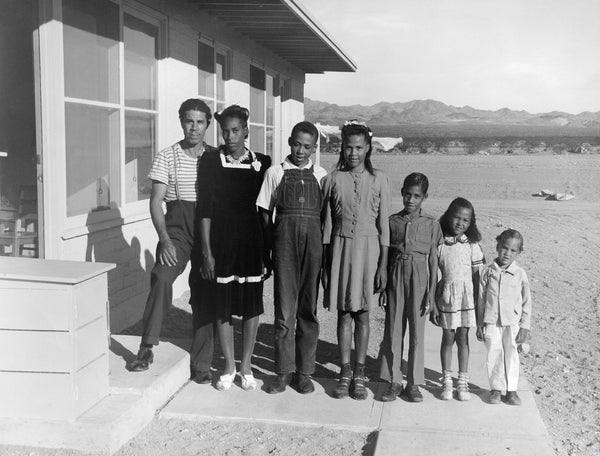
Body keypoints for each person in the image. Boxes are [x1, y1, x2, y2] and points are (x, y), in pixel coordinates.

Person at [130, 99, 217, 377]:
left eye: (200, 122)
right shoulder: (167, 156)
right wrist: (164, 240)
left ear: (207, 125)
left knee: (206, 291)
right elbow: (156, 202)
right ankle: (147, 346)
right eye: (189, 121)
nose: (194, 127)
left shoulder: (215, 157)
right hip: (177, 230)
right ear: (181, 122)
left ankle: (202, 364)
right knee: (162, 276)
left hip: (207, 231)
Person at [193, 105, 271, 392]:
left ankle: (247, 366)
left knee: (251, 306)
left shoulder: (262, 162)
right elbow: (205, 210)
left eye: (235, 130)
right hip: (222, 244)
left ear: (246, 131)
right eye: (225, 130)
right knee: (222, 305)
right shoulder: (211, 161)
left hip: (251, 243)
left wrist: (267, 252)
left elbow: (265, 211)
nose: (230, 135)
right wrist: (207, 252)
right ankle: (228, 366)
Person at [322, 120, 391, 400]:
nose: (353, 153)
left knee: (363, 312)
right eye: (348, 148)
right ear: (342, 148)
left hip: (369, 251)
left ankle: (360, 371)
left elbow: (384, 226)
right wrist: (326, 266)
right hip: (340, 249)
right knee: (343, 313)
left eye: (359, 148)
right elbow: (327, 227)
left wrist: (383, 265)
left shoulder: (380, 180)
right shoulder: (332, 179)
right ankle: (345, 370)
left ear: (368, 148)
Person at [257, 121, 327, 395]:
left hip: (313, 249)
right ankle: (283, 373)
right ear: (289, 141)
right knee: (285, 313)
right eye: (296, 144)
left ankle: (304, 373)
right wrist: (268, 250)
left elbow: (326, 218)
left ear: (314, 148)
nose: (300, 150)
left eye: (307, 146)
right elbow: (264, 213)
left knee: (307, 311)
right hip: (284, 246)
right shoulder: (275, 173)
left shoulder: (322, 175)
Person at [379, 172, 442, 403]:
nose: (410, 200)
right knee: (393, 330)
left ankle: (414, 383)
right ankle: (393, 380)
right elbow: (385, 256)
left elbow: (434, 261)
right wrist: (385, 286)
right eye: (407, 194)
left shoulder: (432, 224)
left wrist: (431, 295)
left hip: (420, 277)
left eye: (416, 196)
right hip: (396, 275)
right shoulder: (392, 221)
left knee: (417, 332)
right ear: (402, 192)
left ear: (425, 197)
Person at [433, 197, 485, 401]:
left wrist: (478, 304)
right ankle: (447, 380)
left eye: (466, 220)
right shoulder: (440, 243)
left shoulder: (472, 244)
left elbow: (477, 276)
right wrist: (434, 302)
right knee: (447, 338)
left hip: (466, 299)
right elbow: (433, 274)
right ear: (448, 217)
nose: (460, 223)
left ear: (471, 222)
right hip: (447, 297)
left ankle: (462, 382)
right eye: (457, 218)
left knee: (463, 339)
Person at [476, 229, 531, 405]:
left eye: (513, 250)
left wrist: (525, 326)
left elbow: (526, 301)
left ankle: (512, 390)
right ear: (498, 246)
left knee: (512, 354)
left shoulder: (520, 274)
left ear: (518, 252)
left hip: (512, 322)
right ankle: (496, 389)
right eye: (504, 248)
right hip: (491, 320)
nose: (507, 253)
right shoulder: (487, 272)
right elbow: (481, 299)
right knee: (494, 353)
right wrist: (479, 323)